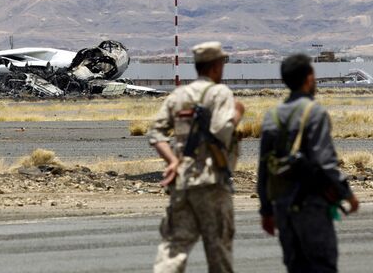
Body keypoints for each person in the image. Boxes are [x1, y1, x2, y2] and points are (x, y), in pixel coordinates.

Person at [148, 41, 245, 273]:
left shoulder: (179, 95)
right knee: (218, 249)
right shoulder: (220, 93)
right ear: (215, 66)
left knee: (174, 248)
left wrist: (173, 161)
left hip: (182, 182)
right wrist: (238, 113)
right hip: (211, 181)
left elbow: (155, 132)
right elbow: (222, 130)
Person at [257, 54, 359, 272]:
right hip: (312, 206)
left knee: (295, 267)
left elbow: (264, 168)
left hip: (283, 208)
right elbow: (325, 164)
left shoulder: (271, 117)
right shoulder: (315, 113)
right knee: (322, 266)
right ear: (308, 78)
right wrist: (347, 194)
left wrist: (266, 210)